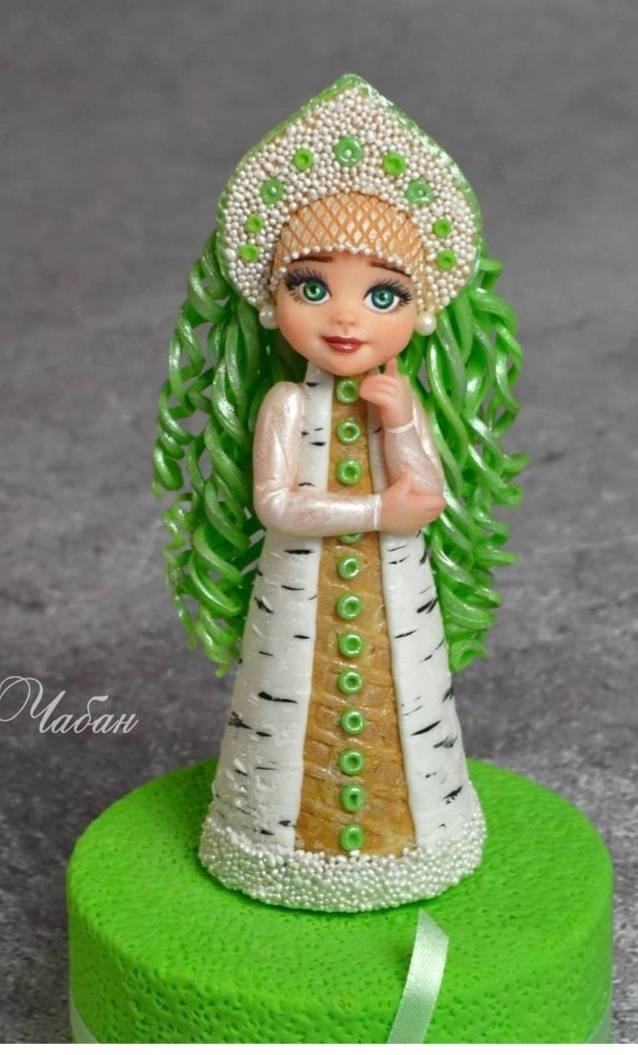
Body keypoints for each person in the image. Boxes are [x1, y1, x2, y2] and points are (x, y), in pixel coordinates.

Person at [153, 75, 525, 911]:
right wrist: (375, 512)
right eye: (312, 287)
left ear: (423, 311)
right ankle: (269, 843)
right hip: (295, 595)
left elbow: (427, 493)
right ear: (269, 299)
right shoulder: (287, 405)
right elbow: (278, 505)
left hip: (398, 595)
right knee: (287, 710)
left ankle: (421, 832)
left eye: (383, 294)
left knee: (408, 704)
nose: (346, 317)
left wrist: (400, 424)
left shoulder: (402, 399)